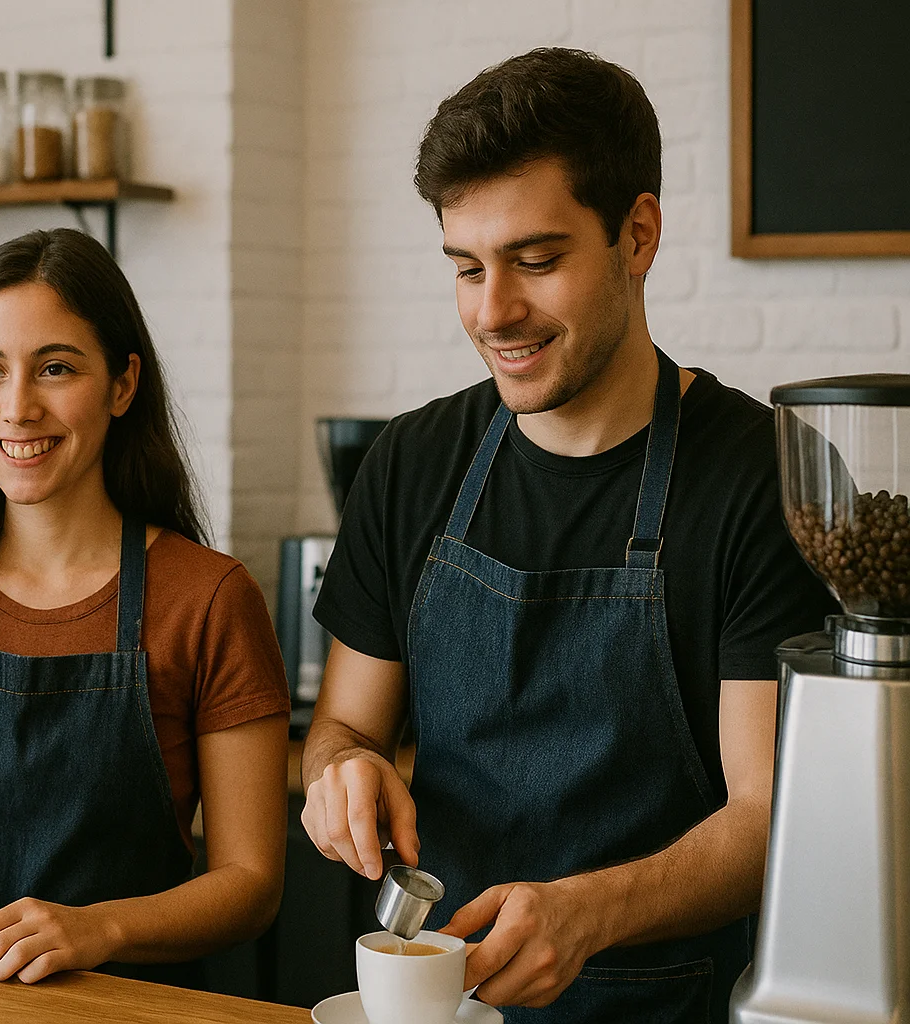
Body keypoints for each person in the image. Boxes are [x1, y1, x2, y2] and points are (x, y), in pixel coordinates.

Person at [298, 48, 837, 1022]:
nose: (493, 310)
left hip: (664, 1001)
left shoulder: (764, 480)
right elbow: (343, 725)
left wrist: (587, 913)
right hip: (440, 997)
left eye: (536, 262)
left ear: (638, 235)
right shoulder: (413, 462)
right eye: (467, 267)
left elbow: (769, 817)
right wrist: (341, 771)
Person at [0, 228, 289, 986]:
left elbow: (250, 885)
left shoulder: (209, 599)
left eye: (55, 368)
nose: (17, 408)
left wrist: (99, 928)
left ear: (121, 384)